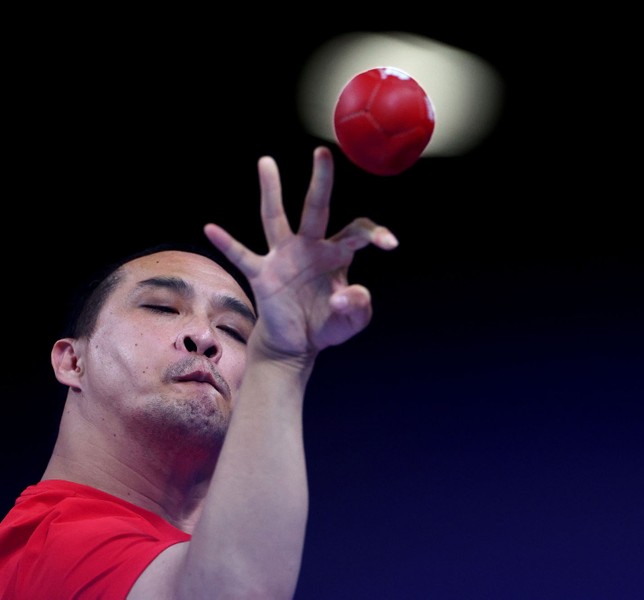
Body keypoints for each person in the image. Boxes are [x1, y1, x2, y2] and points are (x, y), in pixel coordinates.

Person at [0, 145, 398, 599]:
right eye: (161, 307)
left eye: (234, 331)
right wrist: (281, 357)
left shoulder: (199, 557)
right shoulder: (46, 544)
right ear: (72, 361)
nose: (205, 336)